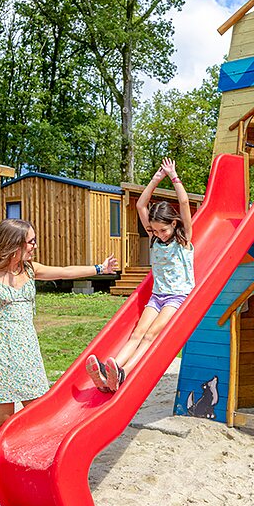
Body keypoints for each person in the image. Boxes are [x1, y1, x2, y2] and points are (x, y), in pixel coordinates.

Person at [0, 218, 118, 457]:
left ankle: (31, 467)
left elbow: (66, 272)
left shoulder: (30, 270)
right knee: (2, 427)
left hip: (28, 354)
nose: (34, 246)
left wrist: (99, 269)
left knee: (39, 418)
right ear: (14, 244)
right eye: (30, 242)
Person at [86, 157, 194, 393]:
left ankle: (124, 373)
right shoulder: (155, 237)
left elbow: (184, 203)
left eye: (163, 229)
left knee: (151, 335)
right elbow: (140, 206)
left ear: (174, 224)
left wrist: (172, 176)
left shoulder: (184, 239)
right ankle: (108, 373)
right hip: (157, 297)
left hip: (177, 298)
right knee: (137, 333)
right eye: (154, 230)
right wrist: (155, 179)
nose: (159, 234)